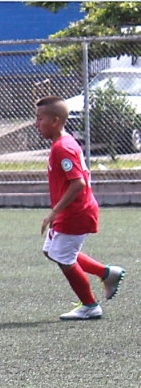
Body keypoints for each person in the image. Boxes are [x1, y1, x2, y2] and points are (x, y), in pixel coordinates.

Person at [34, 96, 125, 320]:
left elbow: (78, 183)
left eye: (40, 119)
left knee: (64, 258)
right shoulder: (64, 142)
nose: (36, 124)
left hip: (76, 213)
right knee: (52, 251)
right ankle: (106, 273)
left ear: (55, 121)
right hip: (70, 211)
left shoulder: (62, 147)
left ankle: (90, 305)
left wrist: (54, 212)